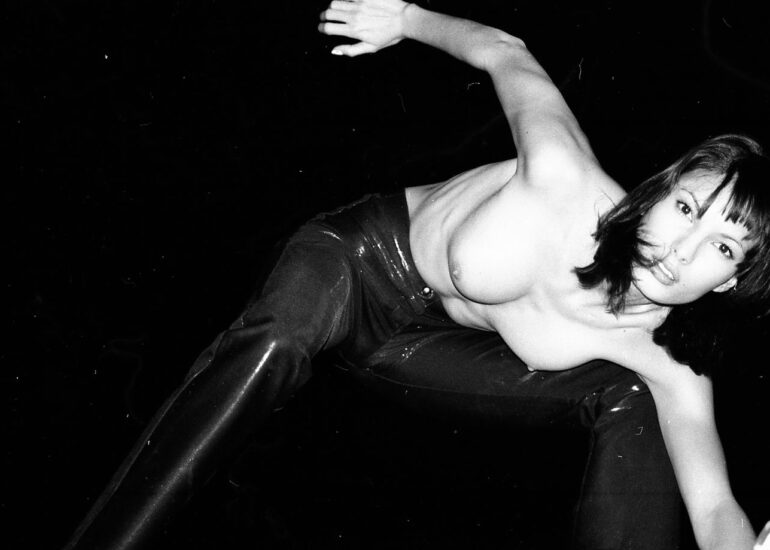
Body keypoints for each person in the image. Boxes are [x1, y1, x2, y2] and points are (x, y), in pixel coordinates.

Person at [64, 1, 770, 549]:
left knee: (638, 398)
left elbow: (714, 509)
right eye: (686, 208)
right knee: (276, 341)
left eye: (722, 246)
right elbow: (507, 53)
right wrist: (403, 18)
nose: (680, 251)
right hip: (359, 262)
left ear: (732, 279)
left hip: (425, 350)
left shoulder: (666, 360)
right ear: (658, 193)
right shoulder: (563, 175)